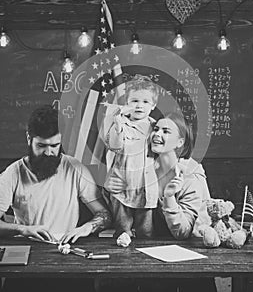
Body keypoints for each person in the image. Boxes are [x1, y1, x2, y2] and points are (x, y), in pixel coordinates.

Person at [0, 105, 112, 291]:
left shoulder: (75, 168)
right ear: (29, 139)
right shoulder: (12, 174)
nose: (48, 153)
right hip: (28, 254)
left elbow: (104, 214)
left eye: (54, 146)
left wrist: (86, 228)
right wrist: (24, 229)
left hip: (68, 254)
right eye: (41, 146)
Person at [106, 112, 217, 292]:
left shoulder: (190, 177)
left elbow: (183, 232)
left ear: (180, 142)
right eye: (156, 129)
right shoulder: (139, 171)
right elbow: (121, 215)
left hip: (189, 256)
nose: (157, 134)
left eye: (166, 131)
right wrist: (112, 190)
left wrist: (170, 198)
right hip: (146, 253)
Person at [103, 74, 159, 238]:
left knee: (146, 233)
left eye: (145, 102)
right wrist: (118, 123)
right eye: (134, 101)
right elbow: (114, 145)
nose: (139, 106)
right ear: (126, 103)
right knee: (122, 232)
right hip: (122, 186)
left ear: (153, 105)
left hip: (146, 188)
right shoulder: (120, 123)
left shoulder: (156, 127)